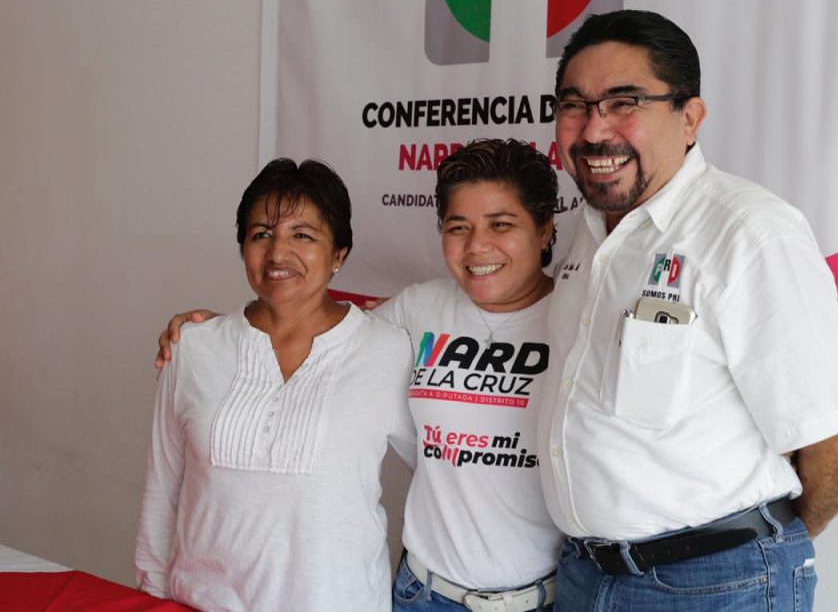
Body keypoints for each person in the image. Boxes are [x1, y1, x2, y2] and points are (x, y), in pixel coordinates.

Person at [538, 9, 838, 611]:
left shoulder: (748, 234)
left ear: (689, 117)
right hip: (585, 576)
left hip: (715, 587)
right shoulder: (589, 233)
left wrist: (763, 548)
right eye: (574, 105)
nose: (593, 130)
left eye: (624, 102)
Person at [154, 139, 562, 612]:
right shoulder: (417, 310)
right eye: (458, 227)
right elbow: (319, 329)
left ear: (545, 229)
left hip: (548, 595)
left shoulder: (576, 318)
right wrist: (221, 332)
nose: (477, 246)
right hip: (424, 595)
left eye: (501, 224)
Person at [135, 158, 416, 611]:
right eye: (261, 234)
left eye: (302, 235)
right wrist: (150, 594)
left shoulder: (390, 350)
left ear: (339, 254)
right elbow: (162, 491)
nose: (277, 253)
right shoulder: (193, 348)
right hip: (202, 602)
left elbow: (443, 478)